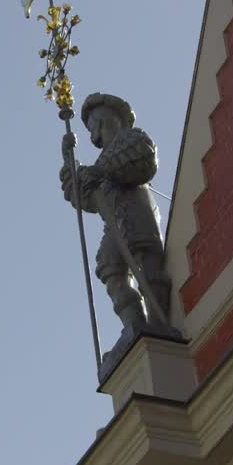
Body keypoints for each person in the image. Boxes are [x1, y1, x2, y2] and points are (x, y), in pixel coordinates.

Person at [61, 93, 171, 334]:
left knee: (148, 265)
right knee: (110, 267)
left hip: (137, 212)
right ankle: (135, 326)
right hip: (114, 224)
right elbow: (87, 198)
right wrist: (69, 163)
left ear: (103, 120)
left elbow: (141, 159)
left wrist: (100, 170)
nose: (91, 130)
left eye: (92, 123)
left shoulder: (133, 138)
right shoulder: (99, 164)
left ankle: (158, 322)